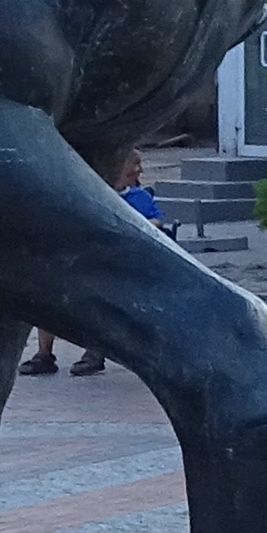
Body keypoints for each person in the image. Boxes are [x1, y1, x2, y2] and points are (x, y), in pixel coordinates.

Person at [22, 147, 174, 379]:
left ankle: (94, 352)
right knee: (48, 296)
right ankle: (44, 354)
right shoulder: (94, 193)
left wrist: (138, 226)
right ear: (119, 165)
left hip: (119, 266)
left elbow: (157, 221)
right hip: (85, 259)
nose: (140, 170)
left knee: (100, 299)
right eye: (135, 163)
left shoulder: (140, 197)